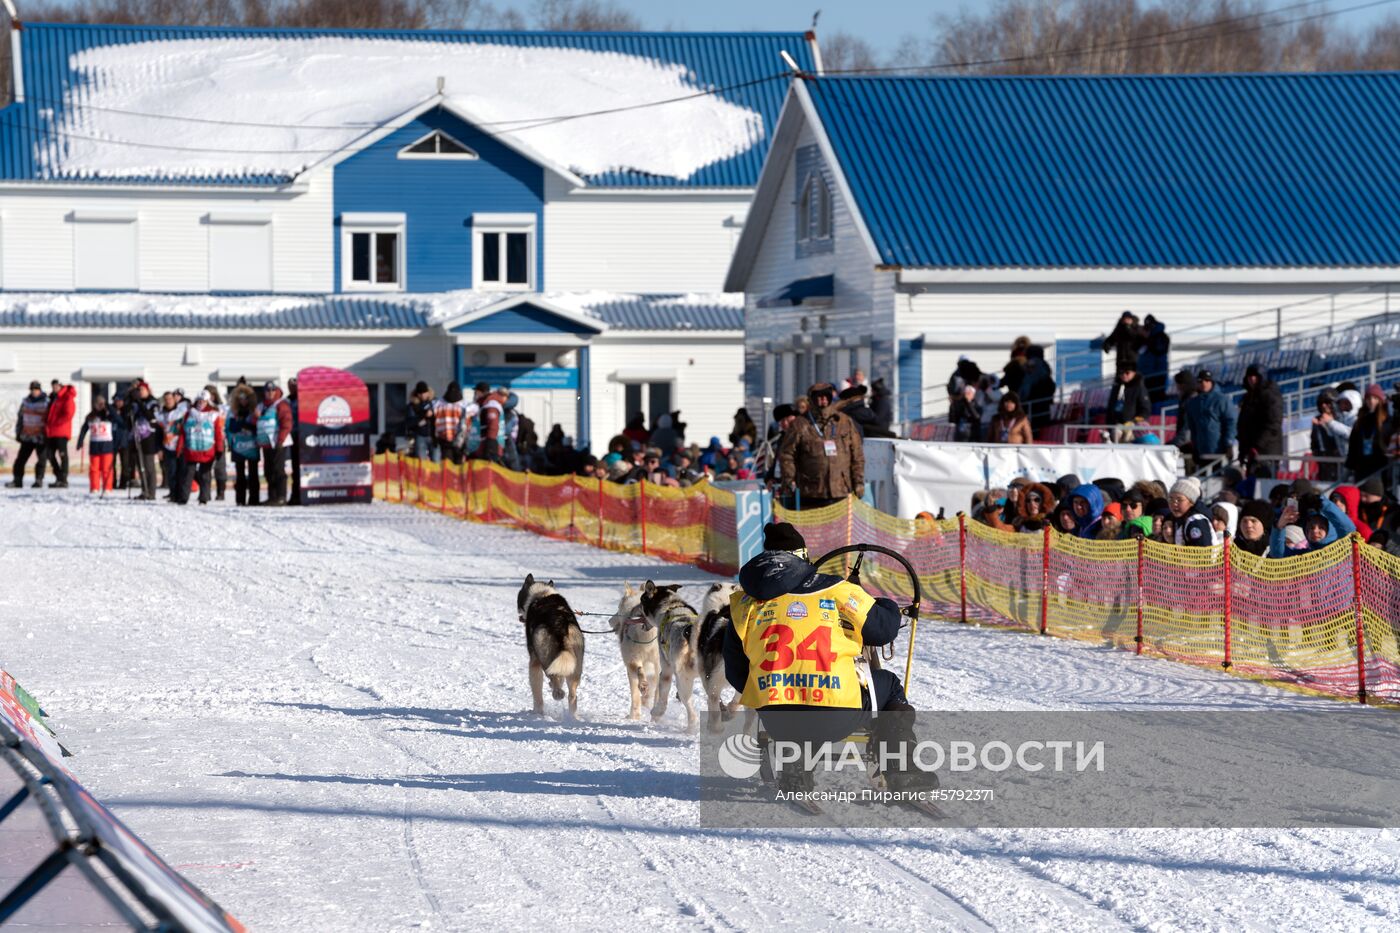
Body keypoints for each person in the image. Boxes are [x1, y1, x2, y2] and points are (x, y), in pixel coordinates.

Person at [724, 522, 936, 794]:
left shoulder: (743, 602)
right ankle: (902, 770)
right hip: (836, 716)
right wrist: (888, 606)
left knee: (793, 699)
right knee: (890, 686)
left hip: (777, 720)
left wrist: (772, 692)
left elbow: (736, 672)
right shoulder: (836, 590)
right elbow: (883, 629)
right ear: (803, 556)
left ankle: (795, 770)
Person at [778, 382, 864, 510]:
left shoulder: (844, 422)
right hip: (811, 491)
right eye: (818, 396)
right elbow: (786, 454)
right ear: (811, 400)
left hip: (841, 489)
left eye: (826, 396)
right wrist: (789, 480)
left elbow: (857, 454)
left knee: (839, 529)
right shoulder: (800, 424)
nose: (822, 399)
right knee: (812, 529)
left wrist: (858, 482)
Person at [1177, 370, 1236, 474]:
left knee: (1219, 480)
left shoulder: (1222, 400)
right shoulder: (1193, 403)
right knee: (1203, 481)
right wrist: (1195, 447)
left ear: (1212, 382)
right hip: (1201, 451)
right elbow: (1192, 427)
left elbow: (1230, 422)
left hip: (1219, 451)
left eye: (1207, 380)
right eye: (1200, 381)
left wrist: (1228, 443)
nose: (1204, 383)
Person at [173, 390, 224, 506]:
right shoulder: (189, 414)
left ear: (207, 402)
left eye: (203, 401)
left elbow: (218, 433)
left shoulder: (213, 415)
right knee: (187, 475)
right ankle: (183, 497)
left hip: (207, 450)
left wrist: (219, 449)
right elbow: (183, 433)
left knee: (205, 475)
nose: (201, 403)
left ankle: (204, 498)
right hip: (191, 449)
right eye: (199, 401)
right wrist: (179, 448)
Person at [1270, 491, 1355, 557]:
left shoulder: (1341, 550)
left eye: (1321, 527)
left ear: (1330, 529)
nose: (1315, 531)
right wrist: (1279, 527)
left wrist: (1322, 503)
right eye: (1311, 527)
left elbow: (1349, 530)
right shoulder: (1304, 557)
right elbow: (1278, 554)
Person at [1236, 365, 1283, 477]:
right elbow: (1243, 424)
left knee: (1264, 487)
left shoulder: (1270, 395)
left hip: (1266, 452)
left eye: (1255, 376)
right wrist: (1243, 449)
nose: (1252, 379)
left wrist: (1257, 446)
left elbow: (1273, 424)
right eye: (1249, 376)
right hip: (1251, 453)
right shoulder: (1248, 397)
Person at [256, 381, 293, 506]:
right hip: (266, 443)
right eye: (267, 391)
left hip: (279, 442)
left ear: (276, 391)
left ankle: (281, 496)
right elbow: (254, 420)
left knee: (278, 470)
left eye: (272, 390)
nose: (270, 393)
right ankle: (272, 497)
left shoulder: (281, 404)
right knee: (268, 471)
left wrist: (280, 440)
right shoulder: (261, 406)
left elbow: (286, 423)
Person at [1346, 384, 1391, 483]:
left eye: (1375, 398)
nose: (1371, 401)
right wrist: (1350, 466)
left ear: (1380, 400)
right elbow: (1353, 445)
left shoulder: (1386, 421)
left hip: (1380, 468)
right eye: (1369, 398)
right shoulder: (1360, 421)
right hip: (1362, 468)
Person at [8, 381, 49, 488]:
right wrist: (18, 433)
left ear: (40, 390)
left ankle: (38, 480)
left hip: (41, 437)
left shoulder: (46, 402)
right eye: (32, 389)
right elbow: (20, 418)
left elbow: (51, 419)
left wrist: (49, 434)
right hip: (27, 436)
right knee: (20, 460)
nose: (34, 391)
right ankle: (17, 481)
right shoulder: (26, 402)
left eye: (36, 389)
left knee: (41, 460)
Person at [227, 382, 261, 507]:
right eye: (240, 398)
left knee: (253, 473)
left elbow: (257, 427)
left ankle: (254, 499)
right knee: (240, 474)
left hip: (252, 446)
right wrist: (244, 425)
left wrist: (244, 425)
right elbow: (232, 428)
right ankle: (240, 499)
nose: (243, 401)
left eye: (246, 398)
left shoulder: (255, 411)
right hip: (239, 446)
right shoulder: (233, 412)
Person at [127, 382, 162, 501]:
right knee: (140, 465)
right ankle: (144, 489)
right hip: (137, 437)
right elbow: (128, 416)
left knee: (148, 466)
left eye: (142, 389)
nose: (140, 392)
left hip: (149, 437)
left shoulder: (153, 402)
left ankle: (151, 492)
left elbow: (150, 417)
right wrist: (131, 399)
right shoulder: (135, 403)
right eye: (139, 390)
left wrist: (140, 402)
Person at [75, 396, 117, 494]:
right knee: (94, 468)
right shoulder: (90, 416)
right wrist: (80, 441)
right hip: (94, 446)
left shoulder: (108, 415)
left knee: (107, 468)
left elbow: (117, 419)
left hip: (107, 445)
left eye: (102, 403)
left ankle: (107, 487)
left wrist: (108, 407)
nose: (99, 406)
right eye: (98, 403)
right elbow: (84, 429)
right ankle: (94, 487)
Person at [1105, 362, 1151, 443]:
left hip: (1133, 425)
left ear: (1134, 373)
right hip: (1116, 424)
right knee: (1116, 434)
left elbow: (1145, 410)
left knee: (1127, 437)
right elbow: (1110, 407)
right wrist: (1110, 424)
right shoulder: (1116, 387)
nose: (1124, 375)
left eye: (1127, 373)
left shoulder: (1139, 388)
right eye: (1121, 373)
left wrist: (1134, 422)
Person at [1310, 390, 1350, 482]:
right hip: (1324, 464)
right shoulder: (1317, 421)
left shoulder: (1341, 419)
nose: (1324, 406)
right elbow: (1314, 442)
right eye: (1322, 403)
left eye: (1327, 402)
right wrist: (1318, 454)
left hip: (1339, 463)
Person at [42, 380, 76, 488]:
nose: (55, 388)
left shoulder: (67, 397)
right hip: (51, 432)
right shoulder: (53, 398)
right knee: (49, 454)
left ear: (61, 386)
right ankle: (59, 476)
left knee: (62, 455)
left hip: (61, 431)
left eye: (57, 386)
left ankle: (64, 479)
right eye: (53, 386)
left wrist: (55, 423)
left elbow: (68, 414)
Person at [432, 381, 475, 465]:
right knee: (459, 466)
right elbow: (470, 420)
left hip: (444, 438)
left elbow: (430, 415)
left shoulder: (438, 404)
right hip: (460, 439)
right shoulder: (464, 405)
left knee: (447, 465)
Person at [1167, 478, 1216, 547]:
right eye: (1171, 499)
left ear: (1191, 502)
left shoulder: (1196, 521)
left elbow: (1203, 551)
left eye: (1179, 499)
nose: (1174, 503)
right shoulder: (1178, 519)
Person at [1018, 345, 1056, 432]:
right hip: (1034, 409)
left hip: (1037, 409)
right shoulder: (1030, 373)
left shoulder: (1039, 369)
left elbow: (1049, 388)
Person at [1139, 314, 1171, 403]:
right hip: (1147, 372)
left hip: (1157, 370)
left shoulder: (1161, 336)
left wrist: (1148, 340)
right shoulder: (1146, 338)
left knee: (1157, 394)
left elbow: (1159, 349)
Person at [204, 385, 228, 501]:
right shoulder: (202, 409)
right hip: (205, 441)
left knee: (220, 468)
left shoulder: (222, 408)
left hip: (219, 441)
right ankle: (205, 492)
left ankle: (221, 492)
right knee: (205, 468)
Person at [471, 382, 504, 462]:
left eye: (476, 392)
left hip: (491, 446)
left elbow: (493, 425)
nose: (475, 395)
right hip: (484, 445)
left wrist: (490, 446)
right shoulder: (485, 404)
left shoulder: (491, 405)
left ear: (480, 392)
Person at [408, 382, 437, 463]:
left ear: (428, 392)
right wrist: (423, 417)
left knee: (436, 461)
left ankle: (434, 476)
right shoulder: (413, 405)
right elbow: (410, 422)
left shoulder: (434, 403)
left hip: (433, 435)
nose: (422, 395)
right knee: (421, 462)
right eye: (420, 393)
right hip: (420, 436)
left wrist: (433, 414)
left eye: (424, 393)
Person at [110, 395, 132, 490]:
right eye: (116, 401)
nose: (118, 403)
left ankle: (123, 483)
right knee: (111, 464)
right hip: (112, 441)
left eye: (120, 401)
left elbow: (125, 424)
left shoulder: (126, 411)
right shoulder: (110, 411)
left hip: (124, 442)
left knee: (125, 464)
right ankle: (112, 482)